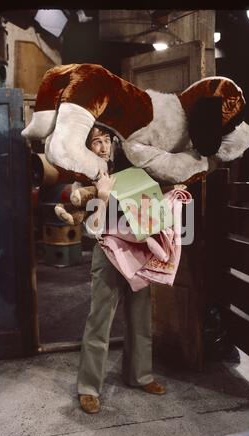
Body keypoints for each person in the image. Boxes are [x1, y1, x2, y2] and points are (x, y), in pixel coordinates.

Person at [77, 125, 166, 415]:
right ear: (87, 147)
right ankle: (89, 388)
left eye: (106, 141)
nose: (102, 147)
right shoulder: (85, 180)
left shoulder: (132, 171)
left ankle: (140, 376)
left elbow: (148, 206)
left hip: (137, 251)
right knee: (99, 320)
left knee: (140, 315)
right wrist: (102, 199)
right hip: (106, 252)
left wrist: (170, 194)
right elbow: (89, 230)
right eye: (95, 143)